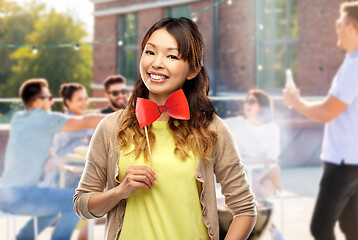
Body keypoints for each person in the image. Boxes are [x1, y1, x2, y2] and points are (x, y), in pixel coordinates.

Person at [74, 17, 256, 240]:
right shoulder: (111, 127)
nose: (157, 63)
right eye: (150, 52)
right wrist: (120, 191)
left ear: (193, 70)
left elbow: (245, 209)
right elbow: (83, 204)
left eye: (172, 56)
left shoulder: (212, 129)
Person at [283, 2, 358, 239]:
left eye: (340, 23)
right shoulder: (351, 62)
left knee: (321, 227)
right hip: (351, 159)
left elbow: (327, 112)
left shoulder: (354, 66)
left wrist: (296, 103)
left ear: (353, 28)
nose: (335, 26)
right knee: (352, 227)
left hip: (343, 162)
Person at [0, 79, 104, 240]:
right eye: (48, 97)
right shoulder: (45, 119)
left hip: (5, 193)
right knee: (75, 203)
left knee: (52, 206)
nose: (51, 101)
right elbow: (85, 121)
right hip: (21, 194)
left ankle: (23, 238)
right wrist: (122, 116)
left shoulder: (18, 119)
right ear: (37, 102)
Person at [224, 89, 282, 240]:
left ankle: (260, 228)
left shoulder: (272, 129)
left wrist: (257, 175)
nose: (247, 104)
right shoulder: (238, 123)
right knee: (250, 187)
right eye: (246, 101)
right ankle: (270, 227)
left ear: (261, 105)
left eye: (252, 101)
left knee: (254, 187)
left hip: (266, 171)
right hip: (244, 171)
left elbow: (272, 160)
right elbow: (216, 124)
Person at [42, 82, 94, 189]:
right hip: (61, 177)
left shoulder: (81, 121)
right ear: (68, 102)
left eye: (85, 99)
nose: (84, 103)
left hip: (74, 174)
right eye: (80, 100)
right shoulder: (68, 122)